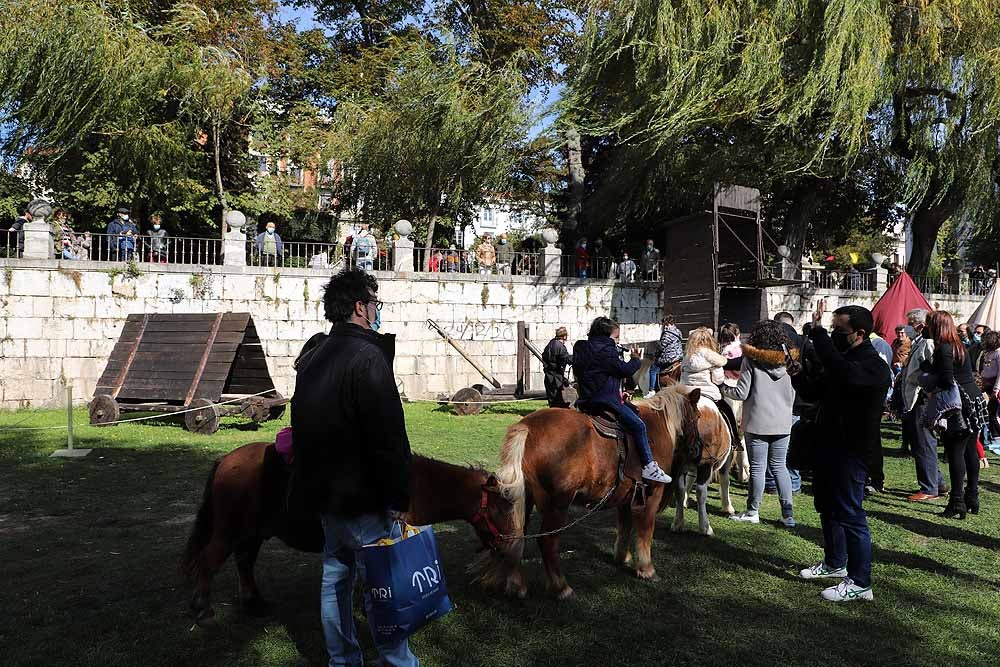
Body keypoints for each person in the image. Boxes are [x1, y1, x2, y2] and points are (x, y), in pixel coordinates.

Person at [289, 269, 418, 667]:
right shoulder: (368, 356)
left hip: (327, 495)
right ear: (362, 307)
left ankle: (342, 660)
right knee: (382, 585)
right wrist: (397, 495)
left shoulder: (314, 356)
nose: (377, 310)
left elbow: (301, 425)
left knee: (336, 581)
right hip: (363, 498)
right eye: (375, 303)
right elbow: (388, 435)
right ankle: (397, 661)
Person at [792, 302, 891, 602]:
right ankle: (835, 563)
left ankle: (861, 581)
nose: (834, 335)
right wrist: (796, 373)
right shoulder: (843, 358)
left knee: (850, 512)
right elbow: (814, 391)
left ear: (859, 333)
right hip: (828, 444)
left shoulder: (873, 366)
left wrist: (818, 333)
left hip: (853, 450)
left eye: (839, 330)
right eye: (832, 329)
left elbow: (843, 372)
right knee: (827, 506)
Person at [572, 317, 672, 484]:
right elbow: (623, 370)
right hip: (604, 400)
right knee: (639, 426)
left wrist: (619, 393)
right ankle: (648, 465)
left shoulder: (581, 347)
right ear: (606, 336)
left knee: (634, 413)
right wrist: (635, 359)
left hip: (586, 399)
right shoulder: (606, 350)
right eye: (616, 337)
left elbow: (599, 374)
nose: (617, 341)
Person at [722, 320, 797, 527]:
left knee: (757, 468)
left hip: (757, 421)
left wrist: (721, 387)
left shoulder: (751, 360)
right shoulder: (789, 361)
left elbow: (741, 392)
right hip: (783, 421)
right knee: (780, 467)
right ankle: (788, 514)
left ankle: (752, 511)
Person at [920, 311, 984, 518]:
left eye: (928, 324)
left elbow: (947, 379)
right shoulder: (958, 346)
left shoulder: (945, 348)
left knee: (956, 451)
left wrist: (928, 373)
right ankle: (971, 496)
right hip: (972, 400)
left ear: (936, 326)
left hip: (959, 406)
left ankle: (957, 501)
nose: (925, 327)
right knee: (970, 451)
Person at [900, 308, 947, 501]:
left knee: (924, 443)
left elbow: (932, 371)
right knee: (921, 442)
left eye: (910, 323)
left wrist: (924, 387)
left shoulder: (927, 343)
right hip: (915, 398)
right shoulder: (918, 342)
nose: (908, 327)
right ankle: (938, 483)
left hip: (922, 399)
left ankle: (929, 487)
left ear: (919, 325)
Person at [681, 326, 739, 442]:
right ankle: (734, 440)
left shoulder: (687, 357)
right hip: (708, 393)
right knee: (727, 411)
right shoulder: (712, 357)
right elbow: (718, 379)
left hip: (687, 393)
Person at [645, 315, 685, 398]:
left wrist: (655, 353)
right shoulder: (678, 331)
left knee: (653, 368)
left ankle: (651, 390)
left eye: (663, 324)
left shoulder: (667, 334)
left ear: (666, 323)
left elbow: (661, 347)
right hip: (679, 356)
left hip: (669, 358)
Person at [542, 327, 573, 408]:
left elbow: (544, 356)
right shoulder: (560, 347)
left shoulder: (550, 344)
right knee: (558, 401)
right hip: (557, 378)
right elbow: (565, 358)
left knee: (552, 400)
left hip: (549, 376)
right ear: (564, 337)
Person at [979, 331, 1000, 445]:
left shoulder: (998, 353)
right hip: (986, 384)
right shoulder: (987, 353)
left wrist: (996, 390)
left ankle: (996, 436)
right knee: (988, 412)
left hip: (994, 386)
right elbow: (985, 368)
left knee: (993, 414)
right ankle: (994, 436)